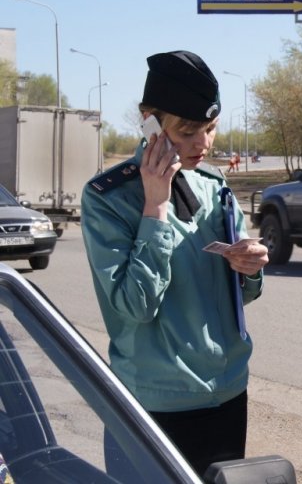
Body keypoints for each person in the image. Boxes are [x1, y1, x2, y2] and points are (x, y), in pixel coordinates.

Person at [81, 50, 269, 477]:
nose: (202, 143)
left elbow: (240, 297)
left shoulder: (214, 187)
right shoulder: (107, 198)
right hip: (154, 404)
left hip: (226, 395)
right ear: (149, 120)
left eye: (210, 128)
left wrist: (250, 269)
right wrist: (155, 208)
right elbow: (135, 306)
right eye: (187, 131)